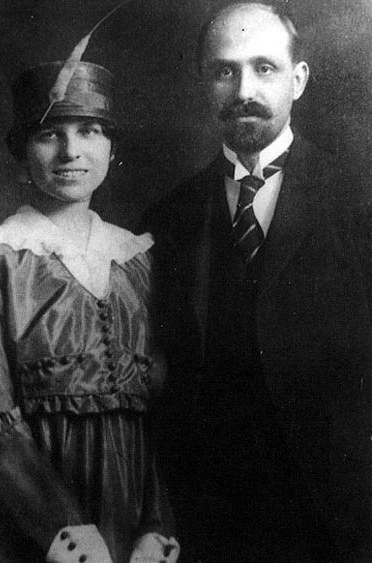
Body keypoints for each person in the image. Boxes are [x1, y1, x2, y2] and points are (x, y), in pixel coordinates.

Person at [145, 2, 372, 561]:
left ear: (298, 79)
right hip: (212, 528)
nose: (244, 87)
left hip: (344, 522)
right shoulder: (166, 220)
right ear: (205, 82)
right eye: (224, 70)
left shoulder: (359, 198)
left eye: (264, 68)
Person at [0, 59, 180, 563]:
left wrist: (158, 524)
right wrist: (63, 528)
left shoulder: (136, 259)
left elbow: (159, 415)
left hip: (131, 524)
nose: (71, 151)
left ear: (111, 147)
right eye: (49, 134)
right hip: (30, 519)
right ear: (21, 153)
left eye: (89, 131)